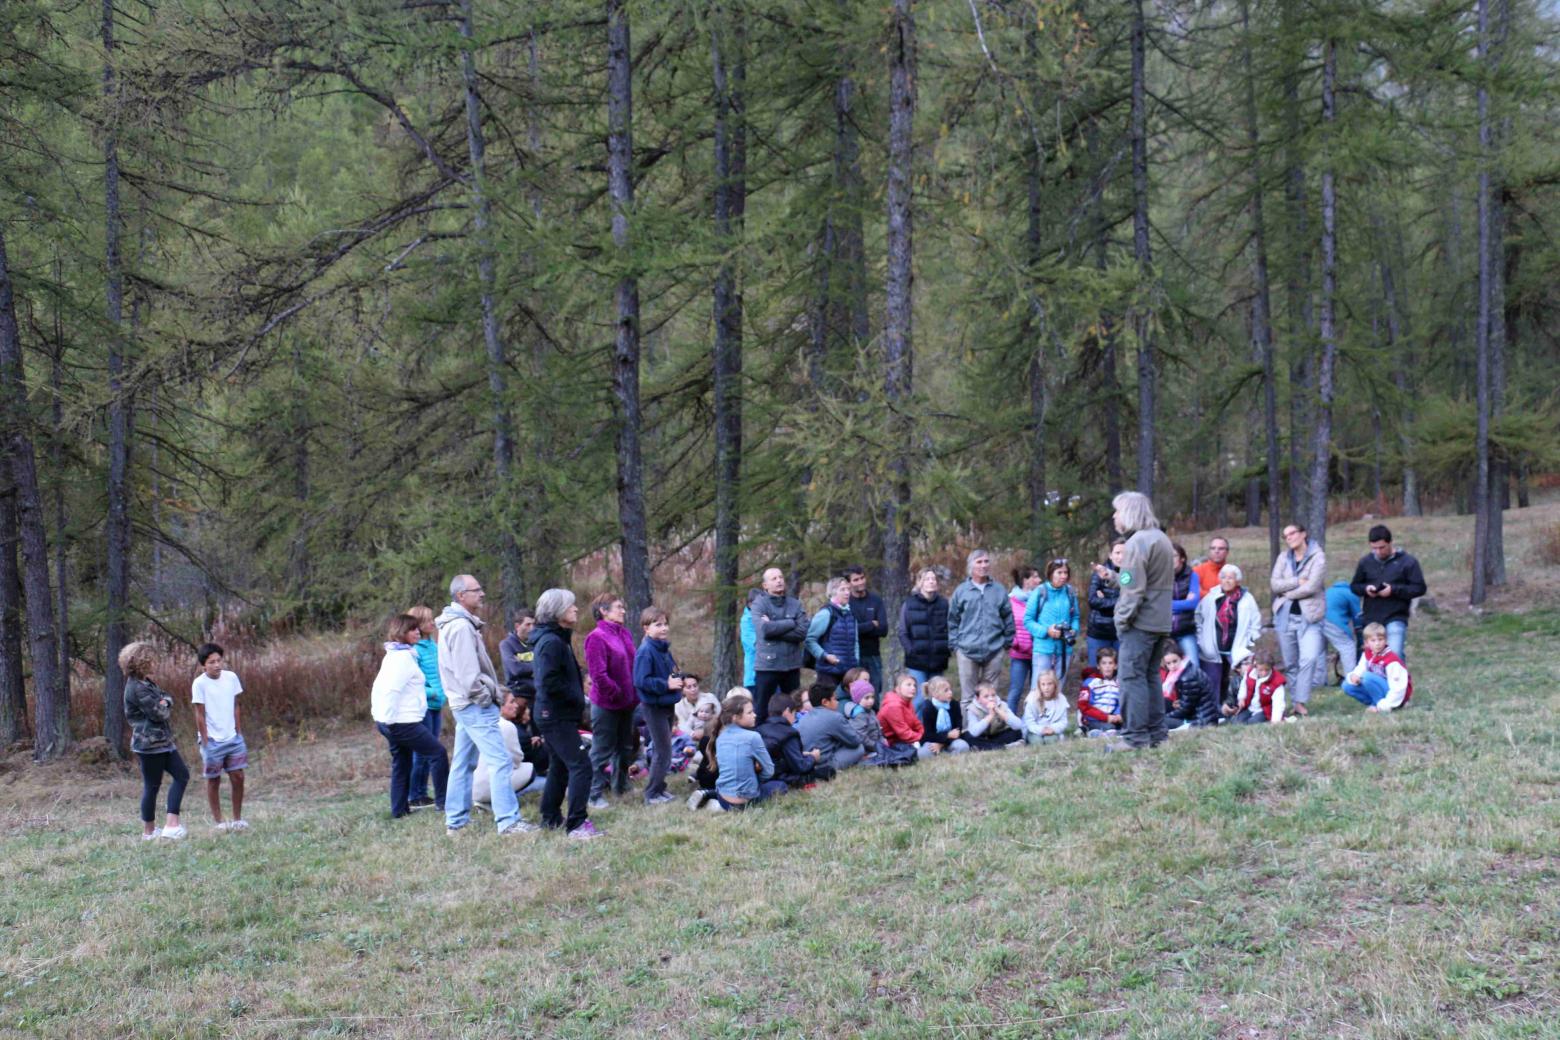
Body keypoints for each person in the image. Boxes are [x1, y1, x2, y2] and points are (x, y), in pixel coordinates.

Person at [437, 575, 537, 836]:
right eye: (476, 590)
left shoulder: (461, 625)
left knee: (463, 763)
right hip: (473, 705)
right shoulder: (459, 627)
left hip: (464, 704)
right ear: (461, 596)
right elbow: (468, 676)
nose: (482, 594)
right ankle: (508, 821)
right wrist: (487, 698)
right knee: (500, 761)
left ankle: (456, 822)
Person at [531, 588, 602, 839]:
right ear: (557, 612)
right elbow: (547, 682)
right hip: (555, 715)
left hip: (555, 713)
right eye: (570, 605)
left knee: (560, 766)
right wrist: (576, 697)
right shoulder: (551, 642)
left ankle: (550, 818)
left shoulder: (556, 638)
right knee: (581, 765)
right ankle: (577, 825)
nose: (575, 609)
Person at [1111, 491, 1176, 749]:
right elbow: (1137, 580)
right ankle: (1157, 735)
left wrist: (1121, 619)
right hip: (1160, 620)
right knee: (1150, 677)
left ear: (1128, 513)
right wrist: (1113, 577)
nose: (1114, 516)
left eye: (1117, 511)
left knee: (1131, 678)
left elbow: (1134, 590)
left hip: (1140, 622)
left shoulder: (1136, 543)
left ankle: (1135, 738)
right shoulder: (1161, 538)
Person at [370, 615, 450, 820]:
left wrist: (380, 718)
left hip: (391, 721)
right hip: (400, 722)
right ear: (401, 633)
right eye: (412, 630)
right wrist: (387, 720)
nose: (417, 632)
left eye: (417, 629)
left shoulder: (399, 654)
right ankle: (445, 803)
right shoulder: (401, 659)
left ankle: (399, 810)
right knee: (437, 753)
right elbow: (390, 690)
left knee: (402, 762)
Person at [121, 641, 188, 841]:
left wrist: (165, 701)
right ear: (142, 661)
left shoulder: (146, 683)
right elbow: (160, 713)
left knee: (181, 776)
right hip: (150, 745)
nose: (155, 663)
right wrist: (164, 703)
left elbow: (165, 698)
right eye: (151, 659)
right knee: (153, 785)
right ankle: (151, 831)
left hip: (161, 742)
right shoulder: (137, 688)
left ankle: (167, 825)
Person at [583, 592, 640, 808]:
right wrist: (616, 692)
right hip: (606, 704)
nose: (623, 610)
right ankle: (593, 793)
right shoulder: (596, 637)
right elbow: (598, 675)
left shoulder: (624, 633)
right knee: (601, 750)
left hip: (628, 702)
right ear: (603, 611)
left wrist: (632, 693)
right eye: (618, 607)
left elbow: (631, 665)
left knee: (625, 747)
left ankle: (621, 785)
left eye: (622, 607)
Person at [1270, 522, 1327, 717]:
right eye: (1285, 536)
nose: (1289, 538)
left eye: (1292, 533)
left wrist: (1288, 594)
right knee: (1291, 662)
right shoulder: (1283, 558)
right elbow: (1275, 584)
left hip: (1309, 616)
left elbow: (1312, 587)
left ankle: (1301, 699)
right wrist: (1295, 582)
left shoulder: (1317, 556)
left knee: (1309, 658)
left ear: (1303, 534)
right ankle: (1295, 702)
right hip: (1285, 616)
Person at [948, 549, 1016, 707]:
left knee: (991, 696)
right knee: (968, 698)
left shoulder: (999, 590)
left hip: (994, 650)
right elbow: (952, 621)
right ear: (971, 565)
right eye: (979, 562)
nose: (983, 565)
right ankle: (968, 731)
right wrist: (956, 646)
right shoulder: (961, 591)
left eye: (986, 561)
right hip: (966, 651)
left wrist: (1005, 643)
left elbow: (1008, 617)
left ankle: (989, 731)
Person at [191, 642, 247, 832]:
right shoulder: (199, 684)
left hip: (233, 737)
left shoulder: (231, 678)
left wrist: (238, 729)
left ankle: (238, 818)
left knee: (238, 776)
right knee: (213, 779)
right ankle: (219, 821)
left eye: (219, 661)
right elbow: (199, 712)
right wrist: (205, 738)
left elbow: (236, 704)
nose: (216, 665)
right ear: (203, 665)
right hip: (212, 740)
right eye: (212, 662)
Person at [1349, 525, 1427, 661]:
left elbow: (1420, 588)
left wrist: (1393, 590)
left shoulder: (1408, 562)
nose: (1378, 552)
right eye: (1374, 548)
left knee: (1394, 653)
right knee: (1370, 658)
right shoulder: (1365, 562)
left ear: (1390, 543)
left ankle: (1398, 681)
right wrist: (1366, 589)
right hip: (1371, 618)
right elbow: (1355, 586)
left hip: (1396, 616)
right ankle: (1375, 682)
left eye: (1382, 547)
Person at [633, 605, 683, 805]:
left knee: (666, 749)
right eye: (657, 624)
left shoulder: (663, 648)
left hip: (667, 703)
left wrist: (677, 677)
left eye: (665, 624)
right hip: (653, 707)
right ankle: (651, 793)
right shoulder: (646, 651)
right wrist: (666, 684)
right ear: (646, 628)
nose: (663, 628)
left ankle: (660, 788)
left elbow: (670, 671)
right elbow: (641, 681)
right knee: (662, 751)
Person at [1194, 564, 1262, 705]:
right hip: (1212, 647)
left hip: (1237, 646)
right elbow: (1198, 617)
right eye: (1223, 577)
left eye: (1231, 578)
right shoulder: (1211, 597)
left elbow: (1255, 621)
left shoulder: (1247, 599)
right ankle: (1214, 712)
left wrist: (1250, 639)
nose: (1226, 581)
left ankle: (1246, 707)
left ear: (1238, 581)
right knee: (1212, 681)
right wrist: (1201, 638)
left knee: (1246, 677)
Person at [711, 693, 787, 811]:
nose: (755, 715)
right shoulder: (753, 737)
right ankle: (748, 808)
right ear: (735, 717)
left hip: (723, 800)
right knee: (781, 785)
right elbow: (769, 771)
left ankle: (709, 795)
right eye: (750, 712)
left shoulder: (721, 737)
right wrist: (757, 779)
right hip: (745, 800)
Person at [751, 568, 809, 721]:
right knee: (762, 709)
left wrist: (774, 626)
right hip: (767, 666)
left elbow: (802, 632)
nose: (779, 580)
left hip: (791, 666)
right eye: (774, 578)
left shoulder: (795, 604)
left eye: (781, 577)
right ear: (765, 585)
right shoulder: (759, 604)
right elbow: (764, 630)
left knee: (794, 708)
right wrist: (791, 623)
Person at [1023, 559, 1080, 712]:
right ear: (1050, 574)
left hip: (1064, 648)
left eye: (1065, 572)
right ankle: (1032, 724)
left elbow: (1075, 617)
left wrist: (1073, 630)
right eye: (1059, 572)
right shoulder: (1040, 592)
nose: (1063, 576)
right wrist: (1046, 631)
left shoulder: (1070, 592)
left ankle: (1055, 723)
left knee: (1057, 688)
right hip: (1043, 647)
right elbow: (1028, 620)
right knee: (1039, 687)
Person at [406, 604, 447, 810]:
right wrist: (433, 693)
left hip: (437, 705)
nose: (433, 622)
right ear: (419, 624)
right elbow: (416, 680)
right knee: (423, 752)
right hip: (423, 706)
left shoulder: (433, 645)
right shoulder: (414, 650)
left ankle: (421, 793)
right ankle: (416, 795)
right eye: (428, 620)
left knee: (432, 749)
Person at [473, 694, 540, 809]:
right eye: (511, 702)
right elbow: (517, 760)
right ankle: (500, 800)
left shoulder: (476, 722)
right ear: (500, 706)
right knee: (529, 768)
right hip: (489, 784)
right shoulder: (507, 726)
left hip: (472, 786)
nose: (516, 706)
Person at [898, 568, 951, 705]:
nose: (931, 582)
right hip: (917, 661)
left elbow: (951, 629)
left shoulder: (944, 604)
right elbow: (903, 632)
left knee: (938, 699)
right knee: (919, 700)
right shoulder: (909, 604)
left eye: (933, 579)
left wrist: (946, 649)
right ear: (920, 582)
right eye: (927, 579)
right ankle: (917, 727)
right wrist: (911, 651)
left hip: (938, 660)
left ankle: (936, 727)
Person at [1342, 622, 1414, 713]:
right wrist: (1355, 675)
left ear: (1386, 640)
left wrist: (1385, 705)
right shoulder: (1367, 653)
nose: (1377, 644)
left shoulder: (1391, 660)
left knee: (1367, 677)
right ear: (1366, 642)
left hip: (1394, 693)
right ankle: (1374, 703)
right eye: (1373, 640)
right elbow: (1361, 668)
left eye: (1380, 640)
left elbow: (1398, 687)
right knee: (1347, 686)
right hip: (1378, 687)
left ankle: (1380, 706)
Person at [760, 692, 827, 786]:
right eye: (794, 713)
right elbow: (802, 767)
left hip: (763, 777)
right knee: (827, 771)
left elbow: (778, 756)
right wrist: (813, 757)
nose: (795, 718)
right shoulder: (788, 734)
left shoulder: (761, 729)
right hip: (782, 778)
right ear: (787, 711)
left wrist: (801, 754)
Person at [797, 682, 866, 771]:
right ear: (825, 702)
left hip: (808, 762)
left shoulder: (803, 719)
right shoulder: (834, 717)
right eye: (834, 699)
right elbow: (855, 741)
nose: (837, 702)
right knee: (859, 748)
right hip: (825, 764)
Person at [805, 577, 860, 686]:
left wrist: (856, 662)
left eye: (848, 589)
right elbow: (809, 640)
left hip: (849, 673)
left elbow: (856, 643)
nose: (847, 593)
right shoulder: (825, 613)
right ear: (832, 593)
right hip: (828, 673)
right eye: (842, 589)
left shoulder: (851, 614)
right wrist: (825, 656)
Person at [844, 565, 888, 694]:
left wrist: (858, 628)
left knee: (874, 693)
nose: (860, 582)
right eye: (856, 580)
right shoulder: (846, 602)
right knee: (854, 693)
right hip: (852, 656)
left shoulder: (876, 600)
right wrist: (870, 624)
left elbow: (883, 629)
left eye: (862, 578)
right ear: (849, 583)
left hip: (873, 655)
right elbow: (848, 631)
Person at [1007, 565, 1042, 713]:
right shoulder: (1011, 600)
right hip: (1019, 653)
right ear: (1025, 580)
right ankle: (1009, 724)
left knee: (1037, 691)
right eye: (1035, 577)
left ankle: (1031, 723)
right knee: (1015, 691)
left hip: (1039, 652)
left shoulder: (1042, 598)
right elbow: (1006, 625)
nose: (1039, 580)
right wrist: (1015, 643)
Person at [1086, 540, 1126, 666]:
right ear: (1110, 555)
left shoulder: (1132, 575)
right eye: (1117, 553)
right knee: (1095, 672)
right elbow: (1093, 601)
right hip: (1099, 631)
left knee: (1121, 673)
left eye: (1125, 553)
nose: (1121, 557)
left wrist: (1105, 601)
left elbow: (1136, 599)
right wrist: (1121, 602)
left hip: (1122, 632)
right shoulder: (1100, 573)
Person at [1161, 645, 1217, 730]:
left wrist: (1167, 716)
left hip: (1200, 719)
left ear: (1182, 658)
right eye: (1168, 663)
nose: (1172, 666)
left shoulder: (1187, 677)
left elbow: (1185, 709)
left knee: (1159, 722)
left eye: (1175, 661)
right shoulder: (1184, 671)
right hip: (1195, 713)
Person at [1320, 580, 1363, 688]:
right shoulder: (1352, 594)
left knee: (1319, 651)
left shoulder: (1330, 590)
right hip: (1332, 621)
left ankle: (1319, 682)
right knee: (1347, 647)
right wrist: (1360, 638)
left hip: (1316, 619)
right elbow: (1358, 617)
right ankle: (1351, 681)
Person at [1227, 649, 1287, 724]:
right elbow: (1244, 686)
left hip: (1265, 709)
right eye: (1261, 670)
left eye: (1267, 670)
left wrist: (1275, 720)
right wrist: (1241, 698)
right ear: (1255, 666)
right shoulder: (1250, 673)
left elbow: (1278, 703)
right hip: (1251, 707)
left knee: (1252, 723)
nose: (1264, 673)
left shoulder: (1277, 682)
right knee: (1236, 721)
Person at [876, 674, 925, 765]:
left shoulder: (908, 703)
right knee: (926, 751)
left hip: (902, 741)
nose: (913, 688)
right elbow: (904, 733)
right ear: (897, 688)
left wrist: (922, 735)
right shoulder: (893, 706)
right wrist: (923, 738)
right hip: (890, 745)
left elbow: (917, 724)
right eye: (908, 685)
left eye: (914, 685)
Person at [916, 677, 969, 757]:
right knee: (923, 754)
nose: (950, 692)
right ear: (935, 694)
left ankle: (946, 754)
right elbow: (928, 734)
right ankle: (942, 753)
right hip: (933, 741)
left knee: (963, 746)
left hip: (951, 740)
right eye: (946, 690)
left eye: (950, 689)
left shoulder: (954, 704)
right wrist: (946, 735)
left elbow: (958, 729)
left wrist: (942, 744)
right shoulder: (928, 708)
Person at [1078, 647, 1124, 736]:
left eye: (1110, 663)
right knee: (1109, 728)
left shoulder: (1118, 683)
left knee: (1129, 725)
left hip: (1112, 718)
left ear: (1115, 666)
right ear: (1098, 666)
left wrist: (1118, 715)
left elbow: (1120, 702)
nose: (1107, 666)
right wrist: (1105, 717)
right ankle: (1088, 731)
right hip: (1094, 719)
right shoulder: (1090, 682)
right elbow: (1084, 706)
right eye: (1104, 663)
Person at [964, 683, 1024, 750]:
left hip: (998, 735)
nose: (991, 699)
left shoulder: (1002, 705)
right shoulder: (972, 709)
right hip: (982, 736)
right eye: (986, 696)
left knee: (1016, 732)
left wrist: (999, 711)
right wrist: (990, 716)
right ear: (978, 699)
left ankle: (985, 747)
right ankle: (1003, 747)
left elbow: (1019, 725)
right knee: (968, 737)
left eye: (993, 695)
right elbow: (974, 732)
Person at [1169, 543, 1202, 667]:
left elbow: (1193, 603)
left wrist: (1169, 606)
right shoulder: (1159, 576)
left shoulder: (1192, 576)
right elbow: (1156, 604)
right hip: (1163, 633)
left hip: (1185, 631)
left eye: (1173, 556)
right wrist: (1183, 604)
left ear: (1182, 558)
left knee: (1194, 667)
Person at [499, 609, 537, 702]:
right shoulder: (507, 644)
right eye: (527, 625)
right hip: (519, 695)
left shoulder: (538, 643)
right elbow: (516, 669)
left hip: (539, 693)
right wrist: (538, 665)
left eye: (534, 624)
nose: (532, 628)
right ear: (517, 626)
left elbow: (548, 665)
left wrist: (523, 664)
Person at [1022, 669, 1070, 745]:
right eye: (1043, 684)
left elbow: (1063, 721)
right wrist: (1041, 730)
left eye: (1049, 684)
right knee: (1038, 742)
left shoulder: (1061, 699)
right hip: (1035, 730)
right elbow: (1029, 722)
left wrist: (1053, 729)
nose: (1046, 687)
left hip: (1052, 730)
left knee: (1050, 741)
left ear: (1055, 685)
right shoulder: (1032, 699)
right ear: (1039, 686)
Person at [840, 677, 883, 759]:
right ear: (858, 699)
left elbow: (877, 729)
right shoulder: (859, 715)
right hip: (866, 749)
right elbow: (861, 737)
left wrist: (882, 740)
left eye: (872, 697)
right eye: (866, 698)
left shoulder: (871, 711)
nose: (871, 701)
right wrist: (876, 745)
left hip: (875, 745)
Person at [739, 588, 761, 689]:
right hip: (754, 677)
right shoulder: (746, 622)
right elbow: (755, 646)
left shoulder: (764, 618)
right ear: (750, 603)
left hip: (771, 673)